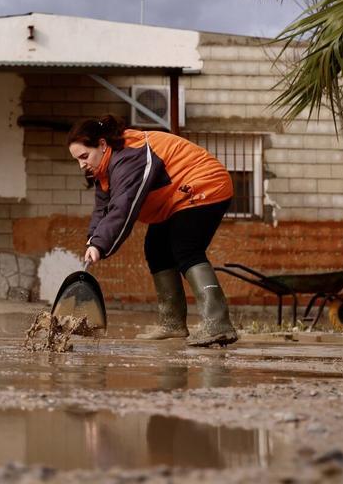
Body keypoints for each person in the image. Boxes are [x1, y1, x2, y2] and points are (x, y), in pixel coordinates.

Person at [66, 115, 238, 347]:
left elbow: (123, 207)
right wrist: (92, 240)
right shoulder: (103, 170)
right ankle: (172, 323)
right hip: (174, 199)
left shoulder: (129, 156)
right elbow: (103, 209)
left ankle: (218, 324)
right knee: (156, 248)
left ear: (103, 144)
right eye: (77, 160)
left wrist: (101, 244)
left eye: (84, 156)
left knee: (186, 248)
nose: (82, 165)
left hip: (204, 184)